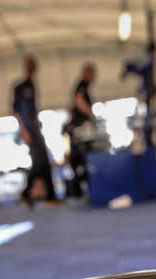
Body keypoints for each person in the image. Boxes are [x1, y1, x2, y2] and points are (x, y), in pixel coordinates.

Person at [12, 55, 56, 205]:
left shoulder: (32, 85)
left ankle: (36, 195)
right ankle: (43, 196)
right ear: (26, 67)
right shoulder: (20, 87)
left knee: (42, 162)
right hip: (29, 130)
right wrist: (23, 130)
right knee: (40, 162)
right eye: (30, 65)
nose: (32, 68)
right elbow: (16, 110)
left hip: (36, 128)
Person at [64, 63, 96, 198]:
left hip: (78, 128)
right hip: (81, 128)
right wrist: (90, 114)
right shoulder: (82, 85)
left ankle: (79, 187)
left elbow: (73, 105)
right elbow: (78, 100)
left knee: (80, 158)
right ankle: (78, 187)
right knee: (83, 157)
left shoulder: (83, 86)